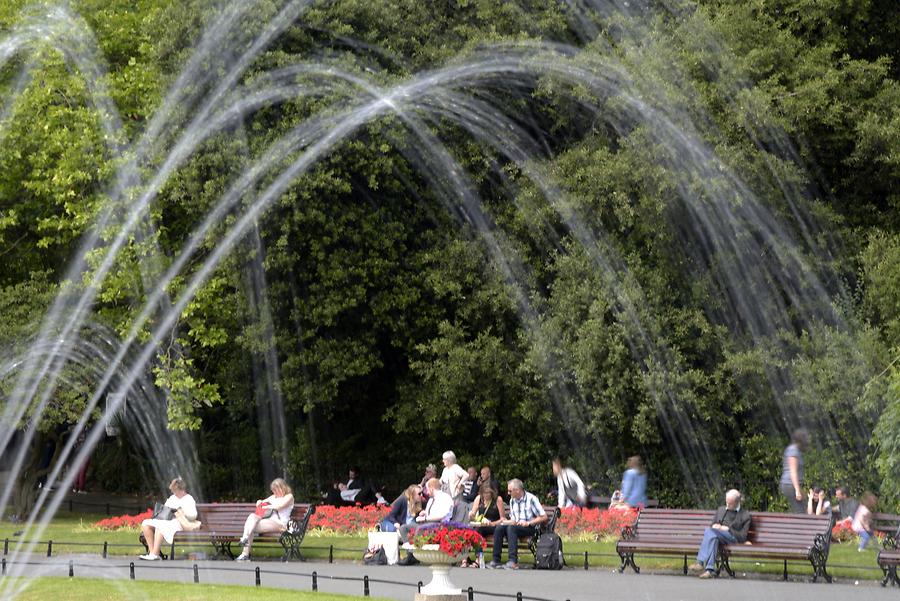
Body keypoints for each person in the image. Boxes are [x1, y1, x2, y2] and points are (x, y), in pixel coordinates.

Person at [688, 489, 751, 579]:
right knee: (713, 537)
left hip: (732, 538)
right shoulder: (721, 510)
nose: (727, 505)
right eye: (726, 502)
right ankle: (709, 570)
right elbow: (711, 526)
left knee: (709, 532)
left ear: (737, 502)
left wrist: (728, 529)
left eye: (730, 503)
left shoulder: (745, 515)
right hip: (717, 535)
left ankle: (700, 562)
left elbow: (742, 537)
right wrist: (715, 526)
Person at [486, 479, 547, 570]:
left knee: (511, 528)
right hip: (516, 526)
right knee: (499, 528)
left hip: (530, 527)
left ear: (517, 490)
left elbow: (544, 517)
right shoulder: (512, 501)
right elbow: (514, 520)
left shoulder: (531, 499)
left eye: (510, 491)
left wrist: (528, 523)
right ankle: (496, 560)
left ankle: (513, 561)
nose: (508, 493)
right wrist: (506, 521)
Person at [235, 478, 295, 561]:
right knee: (252, 518)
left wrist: (266, 506)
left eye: (276, 490)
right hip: (269, 521)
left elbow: (279, 506)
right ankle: (245, 546)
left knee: (251, 525)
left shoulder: (289, 496)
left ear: (282, 488)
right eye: (273, 491)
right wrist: (259, 502)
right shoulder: (273, 497)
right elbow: (261, 502)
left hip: (280, 524)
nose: (275, 493)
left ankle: (245, 547)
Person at [139, 478, 197, 561]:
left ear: (181, 489)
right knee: (145, 523)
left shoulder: (189, 499)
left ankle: (154, 554)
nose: (174, 493)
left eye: (175, 490)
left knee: (161, 526)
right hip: (168, 520)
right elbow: (165, 510)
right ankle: (153, 553)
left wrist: (180, 512)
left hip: (180, 522)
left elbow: (193, 515)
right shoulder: (172, 498)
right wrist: (170, 510)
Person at [462, 484, 507, 567]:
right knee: (472, 531)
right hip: (482, 525)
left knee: (477, 531)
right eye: (484, 493)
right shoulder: (478, 498)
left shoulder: (497, 499)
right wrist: (471, 515)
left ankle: (476, 559)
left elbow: (503, 518)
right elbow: (473, 514)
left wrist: (492, 523)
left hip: (494, 525)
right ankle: (471, 558)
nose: (486, 495)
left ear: (492, 493)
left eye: (488, 493)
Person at [399, 478, 453, 543]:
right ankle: (410, 552)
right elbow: (430, 513)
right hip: (427, 524)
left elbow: (442, 515)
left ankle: (417, 550)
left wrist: (425, 518)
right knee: (403, 528)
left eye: (427, 489)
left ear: (432, 489)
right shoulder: (431, 500)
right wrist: (425, 513)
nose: (426, 492)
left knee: (420, 529)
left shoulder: (445, 498)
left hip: (440, 525)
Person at [779, 428, 809, 513]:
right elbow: (793, 471)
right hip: (789, 484)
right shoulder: (793, 450)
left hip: (790, 484)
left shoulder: (796, 450)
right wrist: (797, 490)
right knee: (800, 511)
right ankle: (802, 525)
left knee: (804, 504)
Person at [439, 451, 470, 523]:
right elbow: (441, 480)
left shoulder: (455, 467)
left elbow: (466, 475)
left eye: (444, 459)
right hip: (446, 492)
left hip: (455, 494)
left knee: (456, 513)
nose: (443, 461)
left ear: (449, 460)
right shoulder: (445, 469)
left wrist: (460, 483)